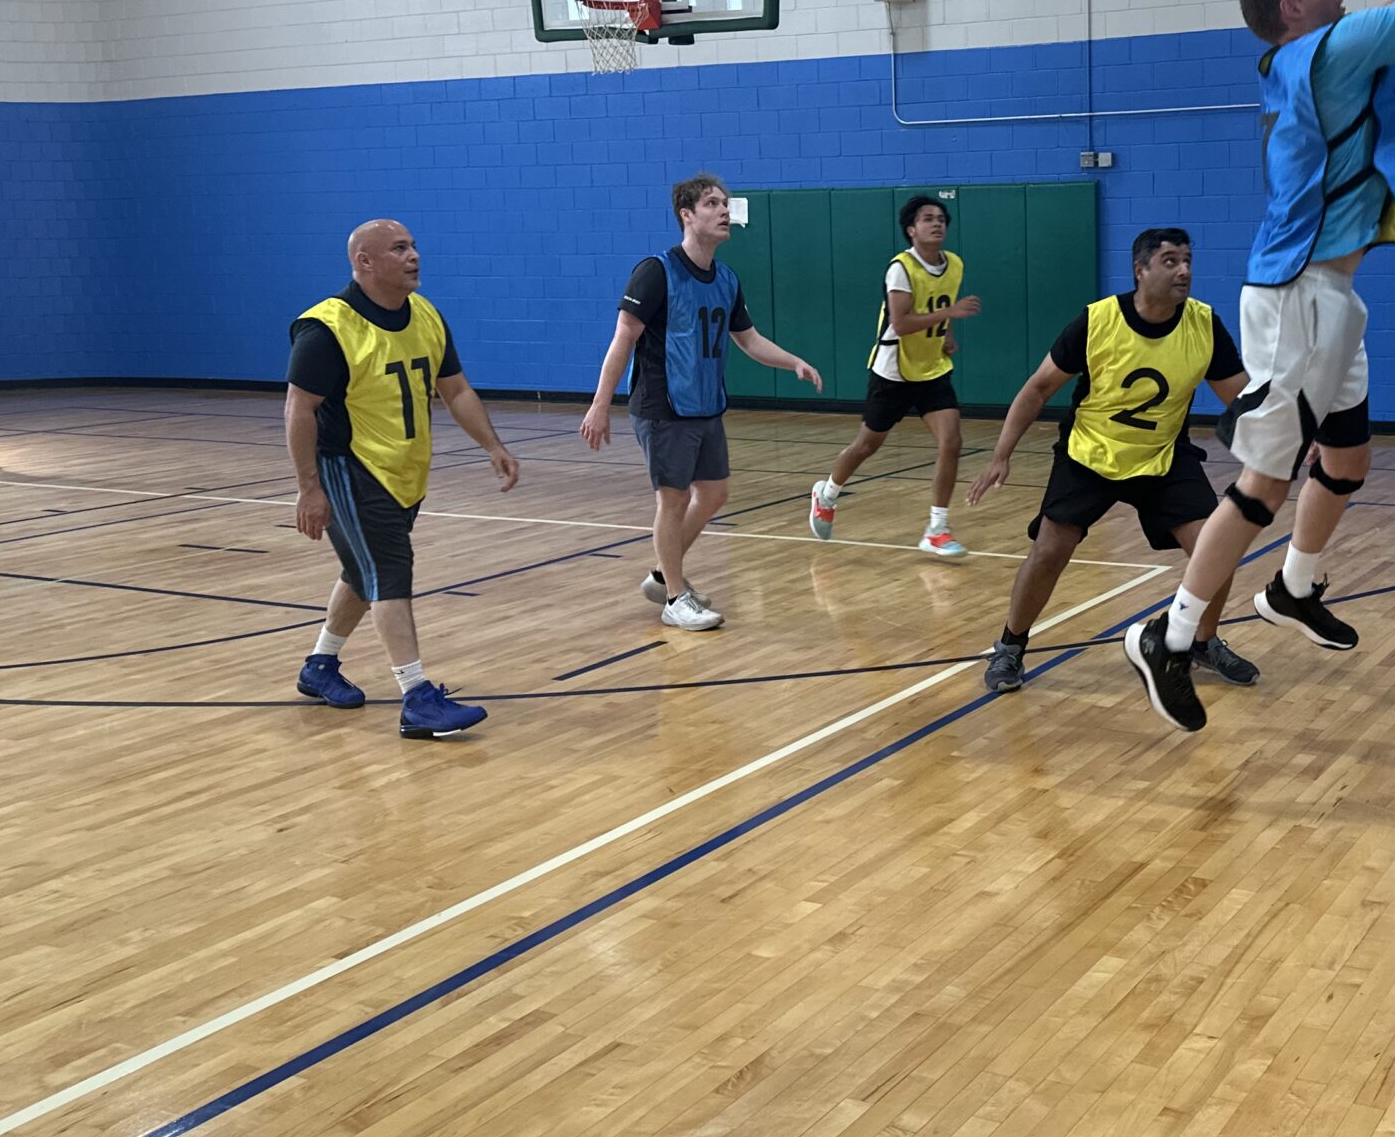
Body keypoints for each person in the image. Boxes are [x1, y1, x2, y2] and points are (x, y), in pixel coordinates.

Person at [1123, 0, 1395, 734]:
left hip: (1329, 298)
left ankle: (1293, 587)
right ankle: (1168, 637)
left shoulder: (1322, 59)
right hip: (1294, 297)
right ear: (1293, 7)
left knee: (1348, 459)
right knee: (1263, 484)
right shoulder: (1320, 54)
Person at [969, 228, 1256, 693]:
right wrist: (1001, 454)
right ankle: (1010, 646)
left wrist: (1295, 433)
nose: (1183, 270)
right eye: (1169, 261)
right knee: (1049, 550)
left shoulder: (1203, 324)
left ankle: (1202, 642)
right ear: (1140, 270)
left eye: (1187, 260)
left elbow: (1240, 398)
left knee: (1215, 546)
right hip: (1091, 452)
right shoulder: (1098, 320)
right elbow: (1038, 388)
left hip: (1162, 455)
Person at [285, 219, 520, 740]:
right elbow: (299, 409)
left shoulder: (426, 314)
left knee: (362, 571)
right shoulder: (327, 328)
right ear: (364, 261)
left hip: (404, 472)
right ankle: (416, 698)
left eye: (413, 246)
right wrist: (309, 488)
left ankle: (320, 666)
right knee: (389, 572)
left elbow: (455, 390)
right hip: (351, 468)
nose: (414, 255)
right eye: (399, 248)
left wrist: (493, 445)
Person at [580, 174, 823, 631]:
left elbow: (748, 339)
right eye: (712, 203)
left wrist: (793, 361)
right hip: (663, 405)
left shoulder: (726, 278)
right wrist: (599, 405)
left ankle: (661, 577)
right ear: (687, 215)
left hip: (707, 405)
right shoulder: (656, 272)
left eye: (725, 203)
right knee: (672, 500)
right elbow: (623, 338)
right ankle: (675, 598)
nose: (724, 210)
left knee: (713, 493)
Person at [810, 194, 982, 559]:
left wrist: (947, 334)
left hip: (932, 368)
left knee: (951, 441)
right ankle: (827, 493)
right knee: (867, 446)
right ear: (911, 229)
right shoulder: (901, 268)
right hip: (894, 371)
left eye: (941, 219)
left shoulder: (954, 264)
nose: (937, 224)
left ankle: (937, 529)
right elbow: (901, 323)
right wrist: (950, 314)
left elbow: (938, 305)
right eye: (927, 218)